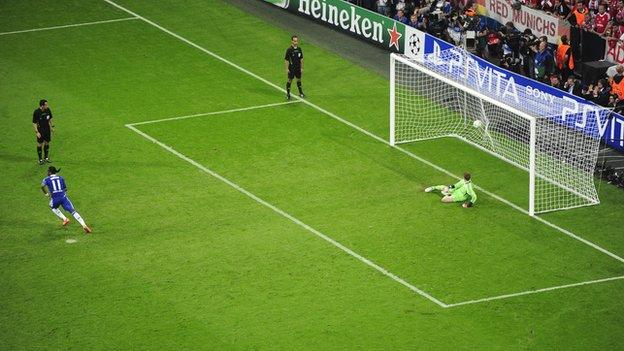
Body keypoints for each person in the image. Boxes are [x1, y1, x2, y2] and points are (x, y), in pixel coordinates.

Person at [40, 166, 92, 234]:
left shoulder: (46, 179)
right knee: (73, 211)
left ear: (50, 172)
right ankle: (84, 225)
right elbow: (65, 189)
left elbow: (42, 186)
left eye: (48, 171)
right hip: (63, 197)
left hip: (55, 198)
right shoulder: (61, 178)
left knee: (52, 207)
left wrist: (46, 194)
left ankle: (65, 219)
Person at [32, 99, 54, 165]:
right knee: (40, 144)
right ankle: (40, 159)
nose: (47, 106)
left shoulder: (48, 110)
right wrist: (37, 132)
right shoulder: (36, 112)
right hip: (40, 130)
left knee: (47, 143)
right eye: (46, 105)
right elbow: (34, 123)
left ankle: (46, 158)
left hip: (47, 130)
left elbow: (50, 119)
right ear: (42, 106)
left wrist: (52, 127)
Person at [284, 35, 305, 100]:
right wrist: (287, 68)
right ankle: (288, 94)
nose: (296, 42)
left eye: (297, 41)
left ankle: (301, 93)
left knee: (299, 79)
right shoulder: (289, 50)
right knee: (290, 80)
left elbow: (301, 59)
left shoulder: (299, 49)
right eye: (294, 41)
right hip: (291, 68)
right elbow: (286, 60)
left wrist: (302, 67)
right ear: (292, 41)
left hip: (298, 68)